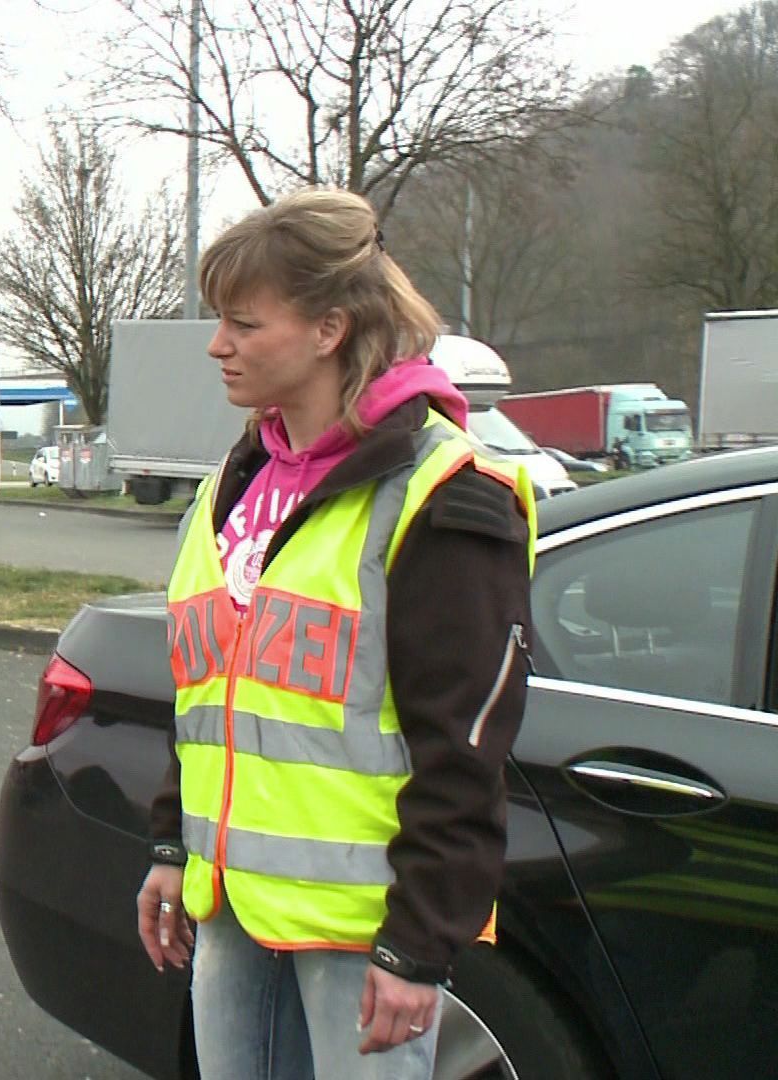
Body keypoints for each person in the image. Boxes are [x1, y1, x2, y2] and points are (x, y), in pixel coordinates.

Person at [134, 189, 536, 1079]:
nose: (217, 345)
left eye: (243, 322)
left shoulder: (446, 495)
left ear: (329, 330)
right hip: (230, 907)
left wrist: (419, 944)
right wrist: (173, 844)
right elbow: (210, 699)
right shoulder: (231, 489)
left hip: (365, 932)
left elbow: (465, 750)